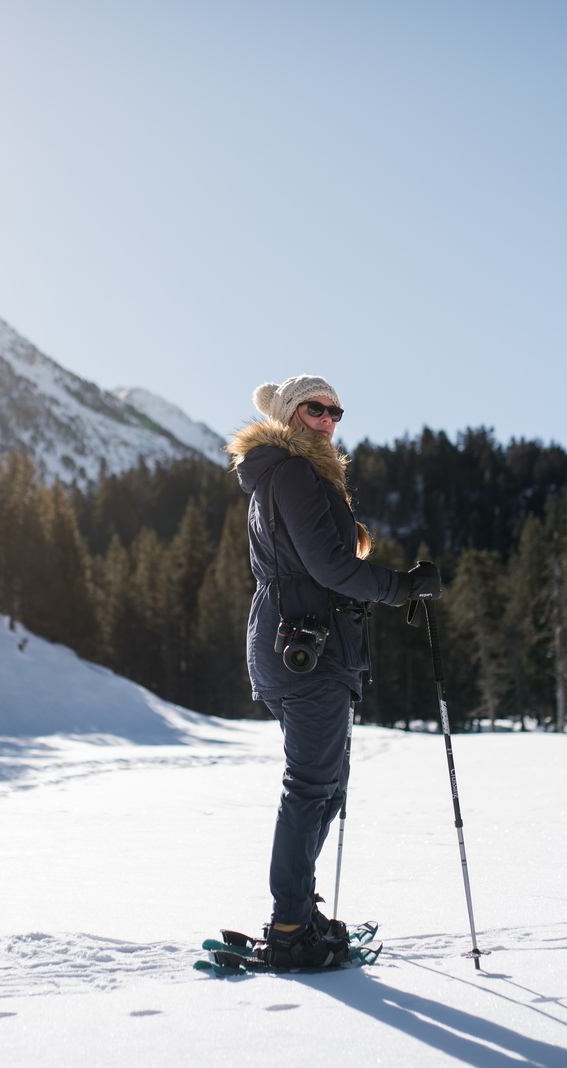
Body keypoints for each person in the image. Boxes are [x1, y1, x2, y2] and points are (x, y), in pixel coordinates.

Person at [227, 374, 442, 967]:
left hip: (307, 645)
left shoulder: (289, 474)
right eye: (315, 409)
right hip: (306, 650)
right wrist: (402, 588)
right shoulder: (294, 472)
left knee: (326, 786)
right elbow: (328, 566)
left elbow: (321, 565)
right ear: (289, 414)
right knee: (311, 786)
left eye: (335, 412)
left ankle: (298, 909)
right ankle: (290, 924)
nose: (327, 420)